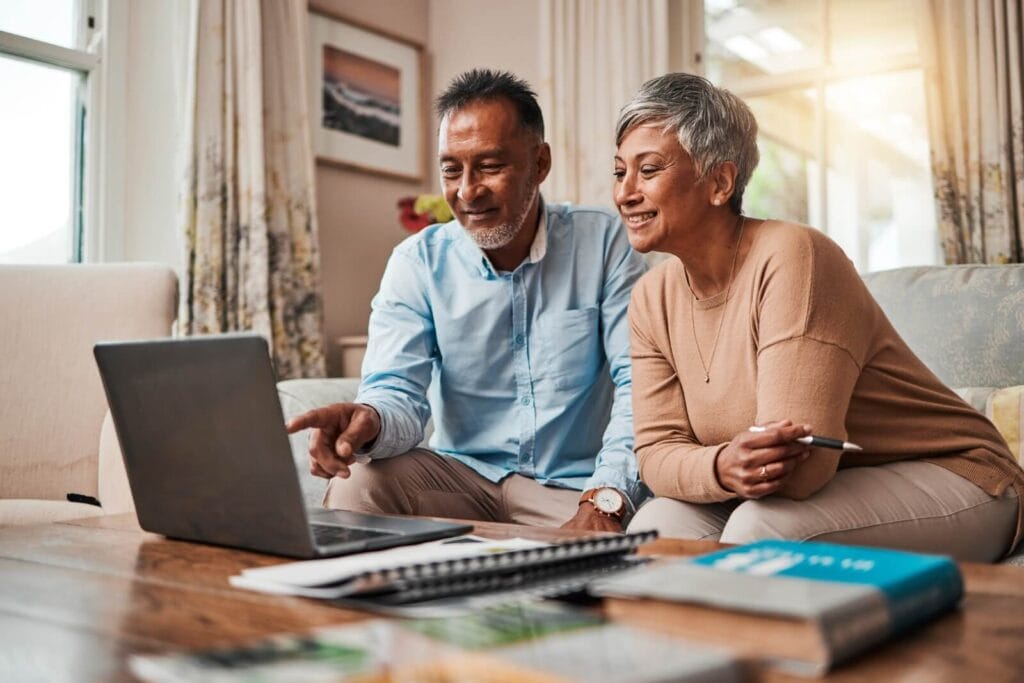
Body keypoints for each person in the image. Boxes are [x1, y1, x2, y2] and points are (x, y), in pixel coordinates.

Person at [615, 72, 1023, 561]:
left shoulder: (795, 256)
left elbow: (801, 470)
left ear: (720, 182)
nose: (626, 193)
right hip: (821, 489)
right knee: (655, 530)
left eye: (649, 169)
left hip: (957, 476)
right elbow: (656, 454)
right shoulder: (650, 297)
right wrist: (723, 465)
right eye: (620, 172)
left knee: (759, 530)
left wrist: (713, 466)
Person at [287, 69, 647, 531]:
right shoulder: (417, 262)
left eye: (491, 166)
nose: (467, 191)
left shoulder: (603, 242)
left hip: (573, 488)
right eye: (451, 169)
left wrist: (605, 499)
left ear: (539, 165)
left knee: (651, 530)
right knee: (359, 482)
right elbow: (397, 391)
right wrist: (368, 419)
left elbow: (640, 386)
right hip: (460, 481)